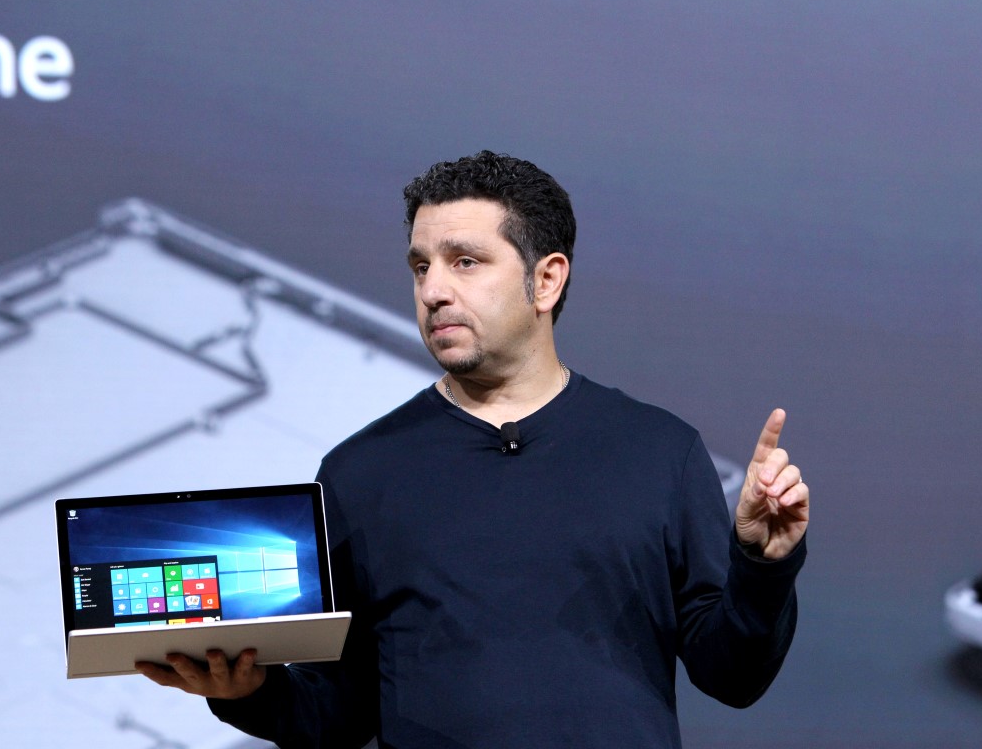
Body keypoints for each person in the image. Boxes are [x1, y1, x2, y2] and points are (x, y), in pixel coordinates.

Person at [137, 150, 809, 748]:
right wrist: (248, 695)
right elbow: (334, 717)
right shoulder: (359, 474)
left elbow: (733, 676)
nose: (433, 290)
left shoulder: (660, 452)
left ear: (545, 280)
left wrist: (763, 562)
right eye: (421, 266)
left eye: (465, 261)